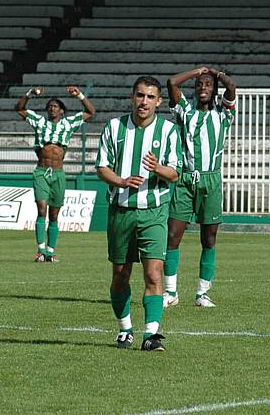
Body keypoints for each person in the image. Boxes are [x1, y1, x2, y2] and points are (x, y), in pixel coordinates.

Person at [95, 76, 182, 351]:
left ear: (159, 101)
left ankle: (152, 334)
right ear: (132, 97)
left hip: (154, 212)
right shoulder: (114, 127)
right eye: (140, 95)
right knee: (121, 274)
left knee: (154, 274)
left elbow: (175, 173)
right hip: (121, 211)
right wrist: (120, 181)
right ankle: (125, 329)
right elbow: (101, 167)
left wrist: (157, 168)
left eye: (150, 97)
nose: (144, 101)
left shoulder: (168, 131)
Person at [163, 67, 237, 308]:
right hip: (185, 179)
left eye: (207, 84)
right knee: (173, 235)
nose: (202, 87)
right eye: (199, 84)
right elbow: (172, 82)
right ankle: (170, 292)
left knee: (209, 238)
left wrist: (216, 73)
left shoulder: (223, 114)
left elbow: (232, 87)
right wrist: (197, 72)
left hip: (211, 180)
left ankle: (202, 293)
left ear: (215, 89)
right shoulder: (185, 111)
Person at [15, 86, 95, 262]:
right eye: (50, 106)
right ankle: (40, 250)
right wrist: (29, 94)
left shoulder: (68, 123)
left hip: (58, 173)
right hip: (41, 171)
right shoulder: (39, 122)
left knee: (54, 215)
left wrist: (80, 95)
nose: (52, 108)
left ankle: (51, 252)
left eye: (56, 106)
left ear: (62, 111)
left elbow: (90, 111)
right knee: (42, 209)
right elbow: (20, 108)